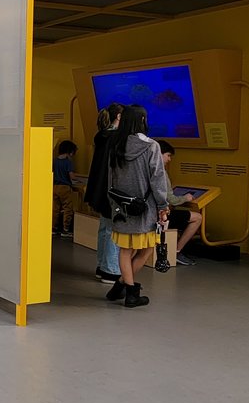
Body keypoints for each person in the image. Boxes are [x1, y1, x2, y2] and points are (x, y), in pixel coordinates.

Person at [103, 104, 170, 307]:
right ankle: (131, 294)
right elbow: (157, 180)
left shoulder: (115, 145)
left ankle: (120, 286)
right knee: (147, 248)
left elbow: (110, 178)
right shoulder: (151, 146)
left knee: (125, 250)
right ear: (142, 120)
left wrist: (113, 203)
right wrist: (163, 205)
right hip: (145, 208)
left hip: (122, 207)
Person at [83, 104, 123, 284]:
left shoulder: (102, 136)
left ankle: (102, 266)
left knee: (104, 228)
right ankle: (110, 270)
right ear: (119, 117)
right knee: (113, 230)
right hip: (110, 190)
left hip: (98, 189)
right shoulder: (116, 138)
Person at [157, 140, 202, 266]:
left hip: (150, 214)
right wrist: (185, 198)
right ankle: (176, 251)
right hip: (161, 216)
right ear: (159, 154)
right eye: (168, 155)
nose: (169, 159)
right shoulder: (161, 173)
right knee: (197, 217)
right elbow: (171, 199)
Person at [51, 140, 82, 237]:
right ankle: (65, 230)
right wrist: (79, 180)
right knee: (67, 208)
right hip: (65, 187)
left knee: (55, 209)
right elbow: (72, 176)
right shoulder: (68, 162)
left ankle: (53, 228)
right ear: (70, 152)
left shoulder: (54, 161)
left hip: (54, 187)